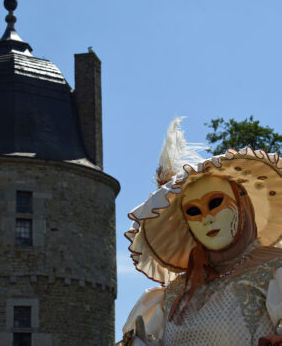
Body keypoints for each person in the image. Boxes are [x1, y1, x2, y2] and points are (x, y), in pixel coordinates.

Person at [119, 118, 282, 346]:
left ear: (242, 204)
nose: (207, 218)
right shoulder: (171, 296)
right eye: (193, 211)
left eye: (215, 203)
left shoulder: (275, 271)